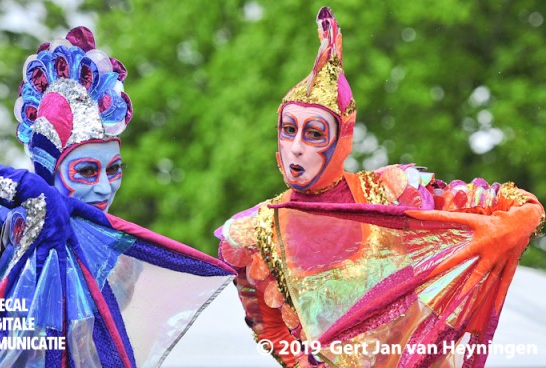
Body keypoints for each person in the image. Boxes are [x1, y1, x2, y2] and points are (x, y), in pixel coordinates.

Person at [216, 7, 544, 368]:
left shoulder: (392, 192)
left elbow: (502, 203)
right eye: (288, 130)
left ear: (342, 141)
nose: (296, 147)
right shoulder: (256, 232)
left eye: (314, 134)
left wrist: (519, 219)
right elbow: (270, 327)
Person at [0, 27, 234, 368]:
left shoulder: (114, 259)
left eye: (114, 170)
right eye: (87, 172)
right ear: (51, 171)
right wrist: (28, 189)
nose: (105, 188)